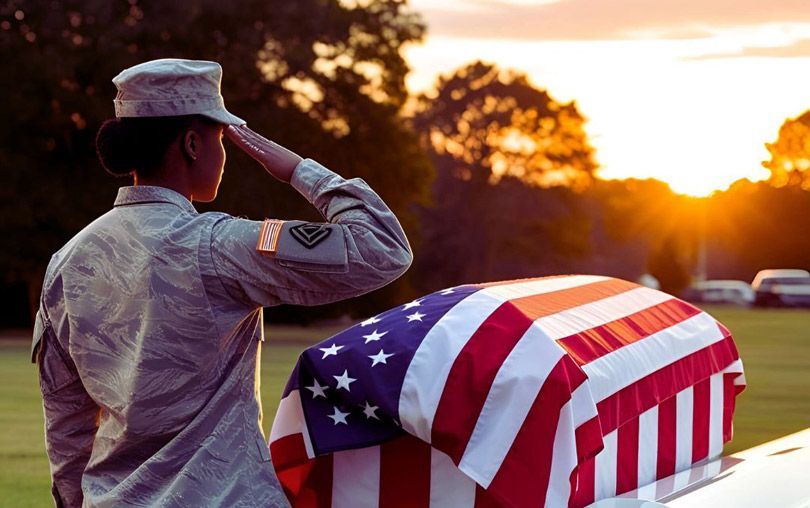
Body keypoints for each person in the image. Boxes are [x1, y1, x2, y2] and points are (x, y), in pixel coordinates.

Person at [31, 58, 413, 507]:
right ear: (193, 143)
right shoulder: (218, 245)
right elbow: (383, 247)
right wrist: (296, 169)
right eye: (221, 137)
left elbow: (67, 424)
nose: (226, 151)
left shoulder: (67, 260)